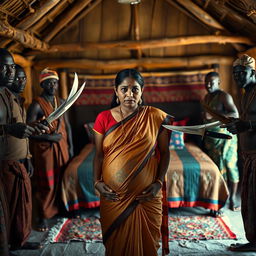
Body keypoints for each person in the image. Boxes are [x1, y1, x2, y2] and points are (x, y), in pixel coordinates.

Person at [93, 69, 173, 256]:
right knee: (116, 246)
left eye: (135, 89)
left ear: (142, 91)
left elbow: (165, 152)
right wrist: (96, 182)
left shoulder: (155, 117)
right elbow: (97, 155)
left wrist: (158, 184)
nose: (130, 94)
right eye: (124, 89)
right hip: (114, 198)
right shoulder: (103, 118)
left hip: (147, 197)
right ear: (116, 91)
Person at [0, 49, 48, 251]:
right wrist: (10, 129)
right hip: (3, 164)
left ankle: (18, 240)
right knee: (5, 212)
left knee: (19, 207)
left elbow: (17, 128)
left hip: (15, 161)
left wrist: (32, 131)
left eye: (14, 67)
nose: (12, 72)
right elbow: (11, 128)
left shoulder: (7, 95)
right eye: (7, 67)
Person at [27, 68, 73, 232]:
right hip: (45, 149)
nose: (53, 85)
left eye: (55, 82)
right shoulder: (36, 105)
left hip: (62, 148)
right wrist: (48, 138)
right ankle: (42, 216)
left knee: (62, 180)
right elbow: (28, 132)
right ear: (43, 84)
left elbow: (66, 126)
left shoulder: (61, 102)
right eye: (49, 82)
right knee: (46, 183)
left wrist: (71, 146)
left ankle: (60, 209)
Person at [225, 54, 256, 252]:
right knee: (250, 201)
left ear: (252, 72)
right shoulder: (246, 93)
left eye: (241, 72)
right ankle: (253, 241)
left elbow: (249, 123)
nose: (237, 76)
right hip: (248, 155)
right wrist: (237, 125)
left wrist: (247, 124)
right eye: (234, 73)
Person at [202, 72, 240, 214]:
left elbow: (235, 114)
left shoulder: (224, 96)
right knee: (217, 170)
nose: (208, 85)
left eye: (212, 82)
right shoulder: (206, 98)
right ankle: (220, 201)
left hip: (225, 139)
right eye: (206, 82)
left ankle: (233, 198)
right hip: (212, 139)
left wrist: (213, 115)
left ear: (218, 83)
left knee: (230, 167)